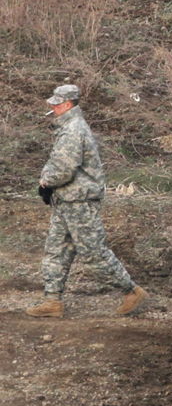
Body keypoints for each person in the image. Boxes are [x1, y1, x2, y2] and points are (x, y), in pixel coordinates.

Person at [27, 85, 148, 319]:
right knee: (56, 250)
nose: (52, 107)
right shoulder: (68, 128)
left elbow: (64, 169)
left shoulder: (73, 130)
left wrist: (46, 182)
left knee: (93, 251)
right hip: (67, 200)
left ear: (68, 104)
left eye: (56, 103)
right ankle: (52, 300)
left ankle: (131, 291)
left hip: (79, 201)